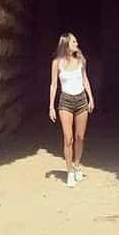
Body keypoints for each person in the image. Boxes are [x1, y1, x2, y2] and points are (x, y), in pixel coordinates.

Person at [49, 32, 95, 187]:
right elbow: (54, 84)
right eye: (74, 41)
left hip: (81, 100)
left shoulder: (81, 60)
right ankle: (69, 172)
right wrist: (51, 106)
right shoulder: (57, 63)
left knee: (80, 137)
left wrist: (90, 98)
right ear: (66, 44)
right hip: (65, 101)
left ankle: (76, 165)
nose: (77, 43)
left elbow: (85, 79)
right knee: (68, 138)